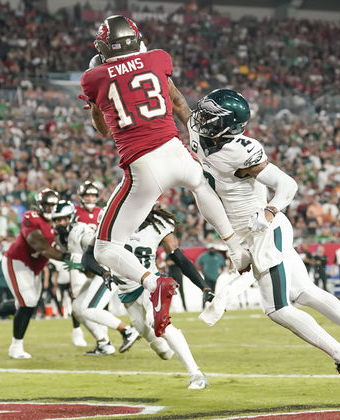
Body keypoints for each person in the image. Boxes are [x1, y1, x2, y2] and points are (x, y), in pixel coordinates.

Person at [189, 88, 340, 399]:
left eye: (210, 116)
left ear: (227, 126)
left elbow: (287, 184)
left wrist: (269, 210)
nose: (200, 119)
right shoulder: (198, 131)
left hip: (264, 229)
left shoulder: (241, 150)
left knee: (278, 308)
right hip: (249, 233)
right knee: (302, 292)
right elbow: (176, 102)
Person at [78, 16, 250, 332]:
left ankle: (153, 282)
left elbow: (102, 129)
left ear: (103, 46)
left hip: (143, 164)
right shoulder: (158, 58)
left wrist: (92, 106)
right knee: (200, 184)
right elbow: (179, 101)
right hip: (175, 149)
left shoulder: (94, 78)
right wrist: (195, 138)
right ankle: (236, 247)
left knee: (105, 249)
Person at [110, 205, 210, 389]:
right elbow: (90, 255)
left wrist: (203, 286)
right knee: (163, 351)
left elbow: (179, 258)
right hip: (126, 291)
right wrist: (102, 270)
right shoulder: (110, 220)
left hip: (151, 283)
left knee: (158, 321)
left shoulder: (158, 225)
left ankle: (196, 374)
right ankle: (170, 347)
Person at [0, 188, 75, 359]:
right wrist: (70, 257)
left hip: (35, 267)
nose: (50, 209)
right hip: (17, 262)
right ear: (40, 205)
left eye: (53, 205)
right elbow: (41, 247)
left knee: (24, 303)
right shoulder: (32, 218)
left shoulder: (59, 223)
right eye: (47, 205)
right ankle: (16, 347)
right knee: (27, 302)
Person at [52, 200, 140, 356]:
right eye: (57, 220)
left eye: (63, 219)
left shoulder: (80, 231)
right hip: (95, 273)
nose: (60, 223)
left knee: (90, 309)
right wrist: (82, 266)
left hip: (105, 270)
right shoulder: (61, 238)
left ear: (71, 217)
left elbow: (98, 251)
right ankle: (104, 344)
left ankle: (127, 331)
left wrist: (81, 263)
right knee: (77, 309)